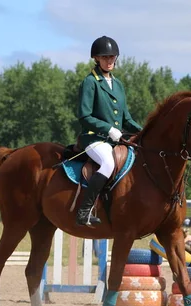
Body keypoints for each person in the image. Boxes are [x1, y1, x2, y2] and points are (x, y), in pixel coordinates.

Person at [75, 36, 143, 226]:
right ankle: (84, 211)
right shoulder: (90, 82)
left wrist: (145, 132)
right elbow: (84, 116)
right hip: (93, 139)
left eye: (112, 57)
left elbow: (126, 118)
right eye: (105, 57)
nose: (110, 60)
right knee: (108, 164)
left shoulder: (118, 84)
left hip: (115, 140)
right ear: (96, 58)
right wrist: (109, 129)